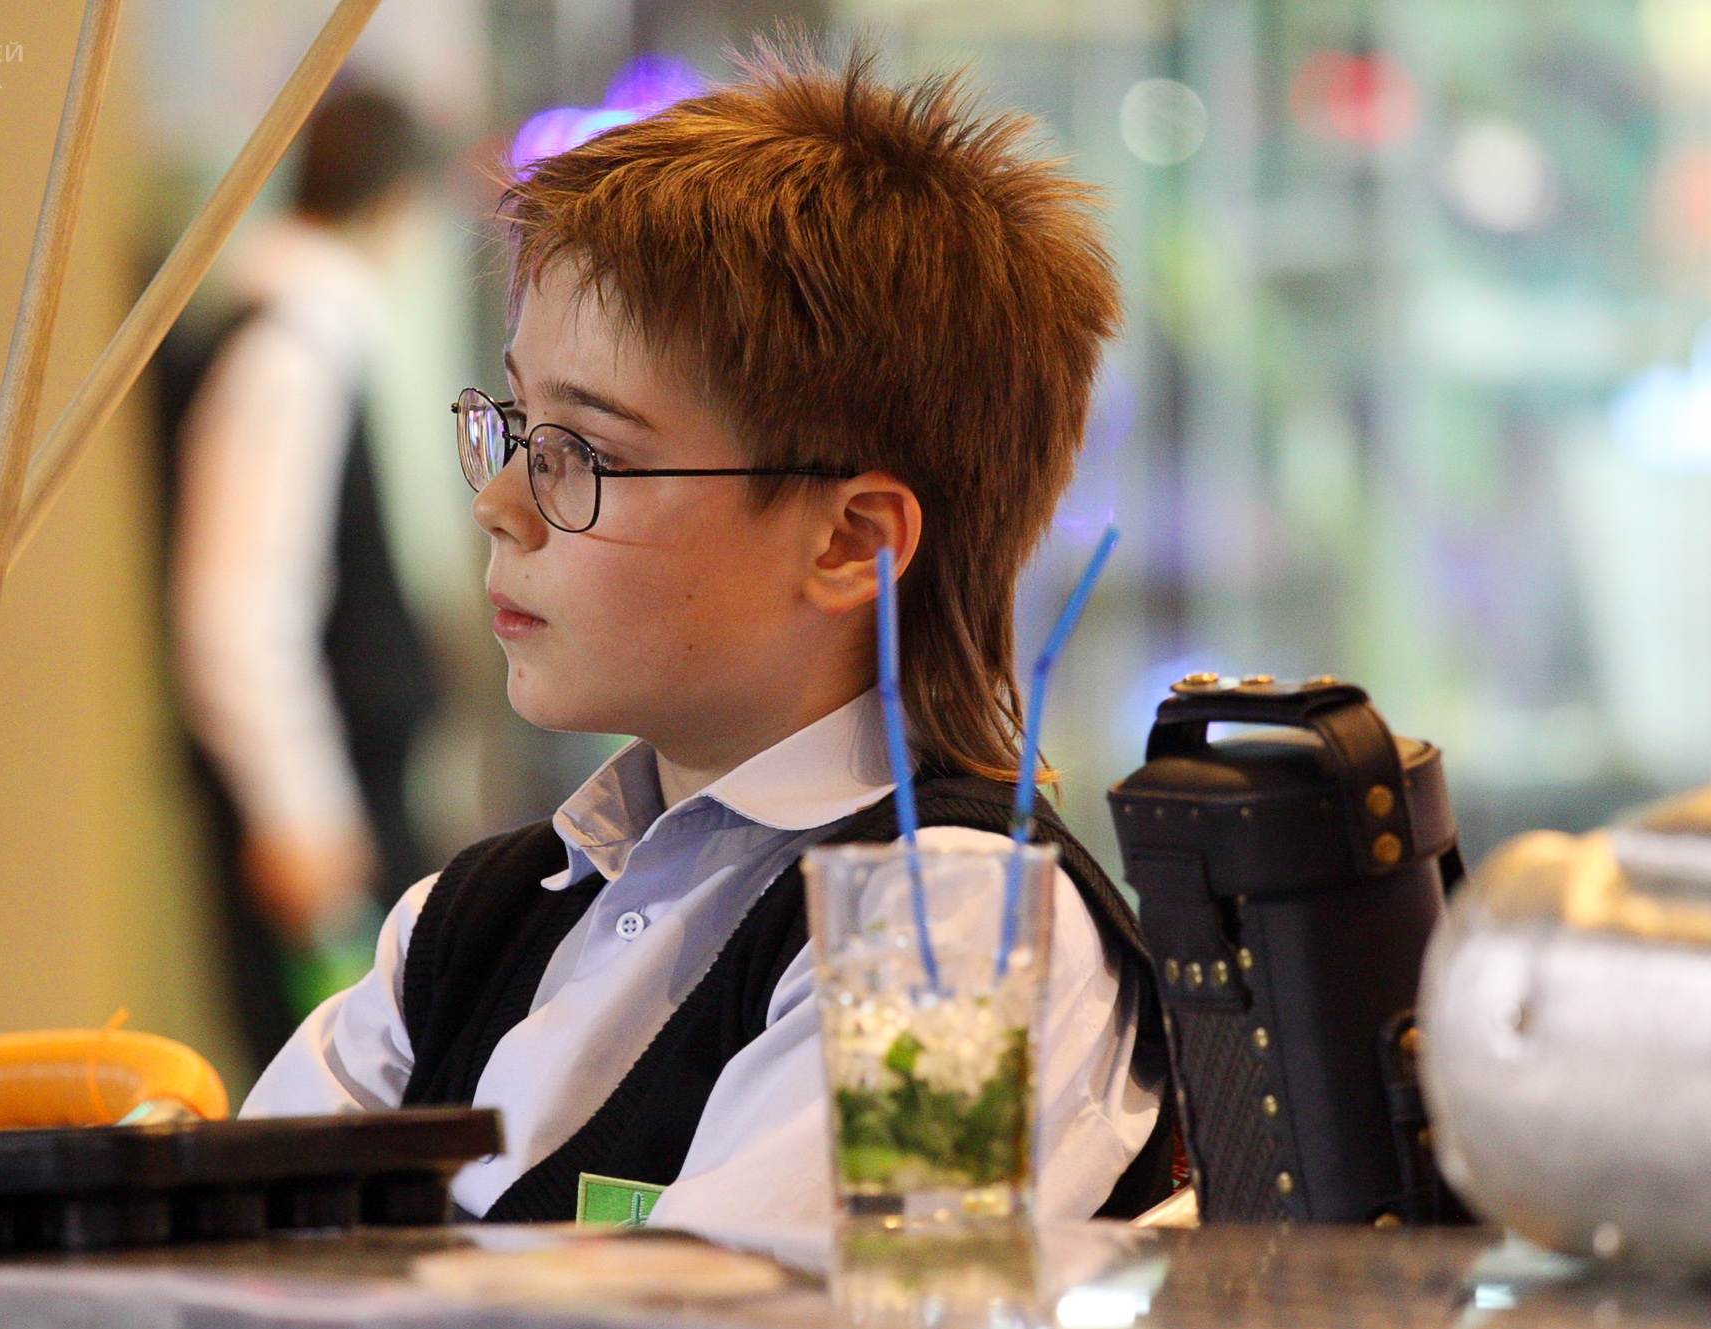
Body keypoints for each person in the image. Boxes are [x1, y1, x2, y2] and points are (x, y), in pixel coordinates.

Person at [242, 51, 1172, 1230]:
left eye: (586, 451)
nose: (502, 503)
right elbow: (221, 1263)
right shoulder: (469, 920)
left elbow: (759, 1304)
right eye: (516, 424)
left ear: (850, 542)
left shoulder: (962, 936)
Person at [169, 90, 439, 1071]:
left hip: (344, 791)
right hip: (326, 809)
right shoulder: (288, 349)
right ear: (397, 204)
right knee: (343, 1086)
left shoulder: (307, 334)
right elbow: (239, 609)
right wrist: (300, 813)